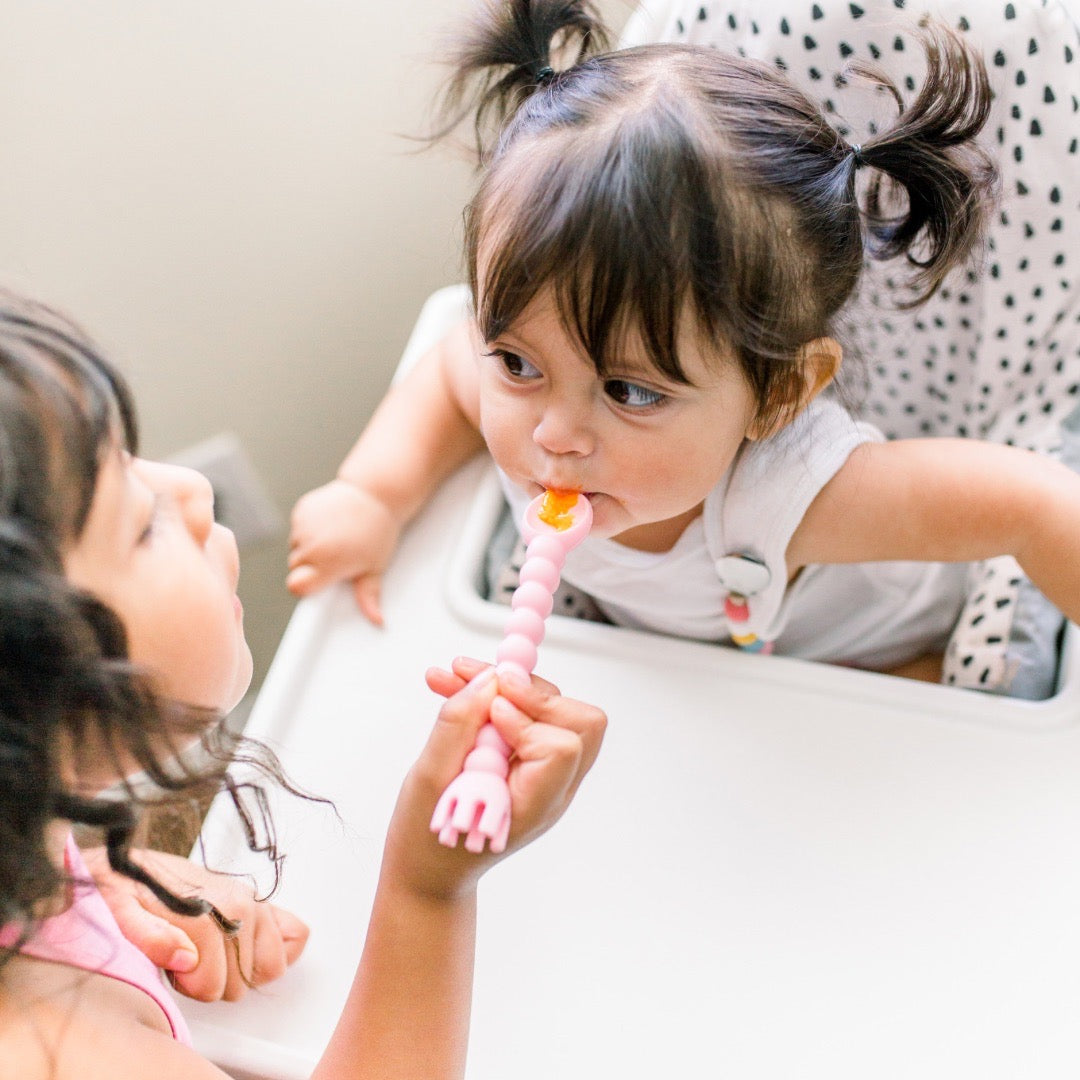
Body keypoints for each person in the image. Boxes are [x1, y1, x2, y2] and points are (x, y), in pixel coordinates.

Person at [286, 0, 1080, 687]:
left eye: (629, 391)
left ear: (781, 395)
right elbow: (450, 371)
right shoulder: (519, 396)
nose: (552, 436)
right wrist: (373, 496)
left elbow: (1034, 506)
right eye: (521, 363)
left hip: (871, 658)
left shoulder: (802, 496)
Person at [0, 290, 606, 1078]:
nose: (190, 489)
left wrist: (91, 881)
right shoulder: (61, 1053)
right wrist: (428, 894)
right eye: (141, 518)